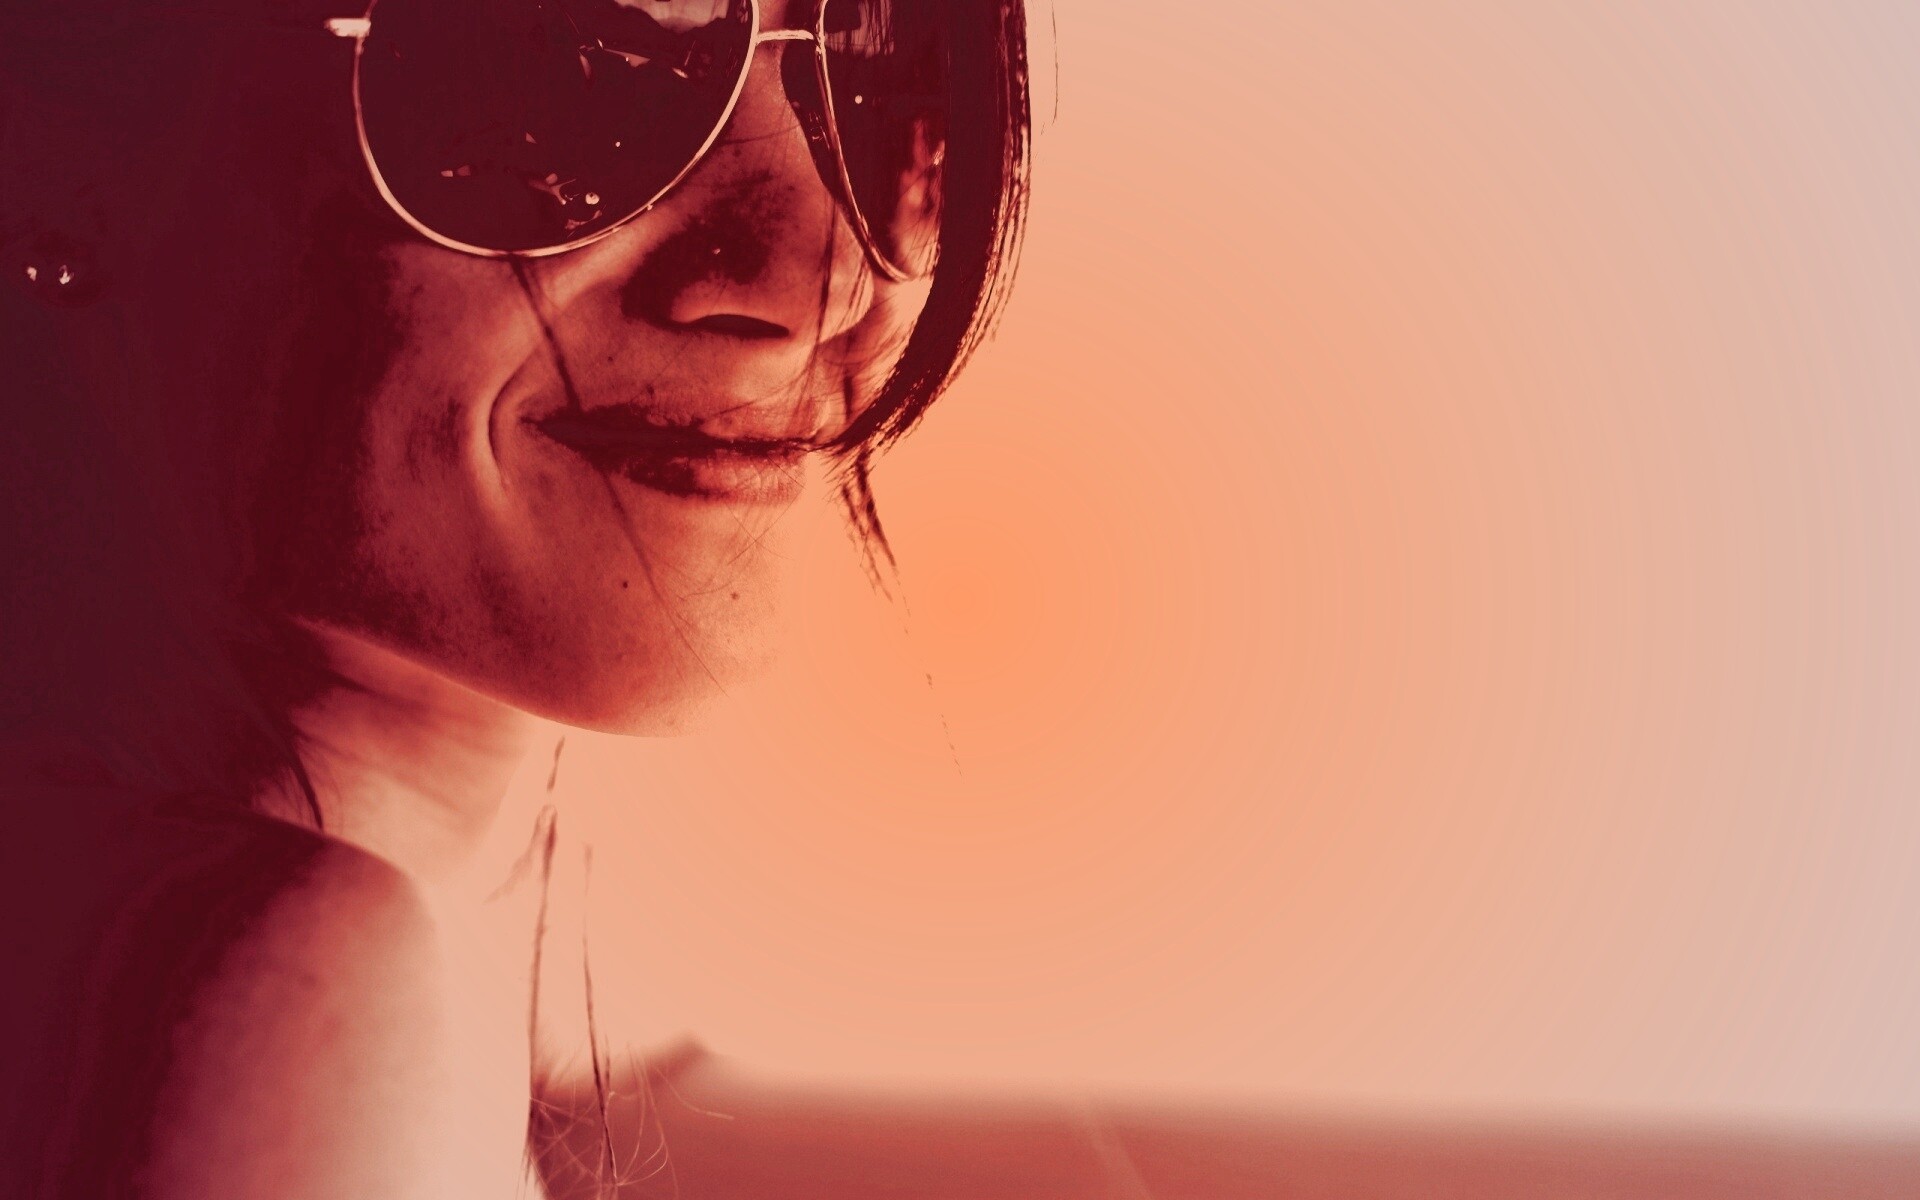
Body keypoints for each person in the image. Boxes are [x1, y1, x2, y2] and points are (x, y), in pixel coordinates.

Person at [0, 0, 1030, 1195]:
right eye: (572, 56)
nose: (817, 270)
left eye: (892, 73)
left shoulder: (445, 1006)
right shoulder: (252, 997)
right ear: (53, 139)